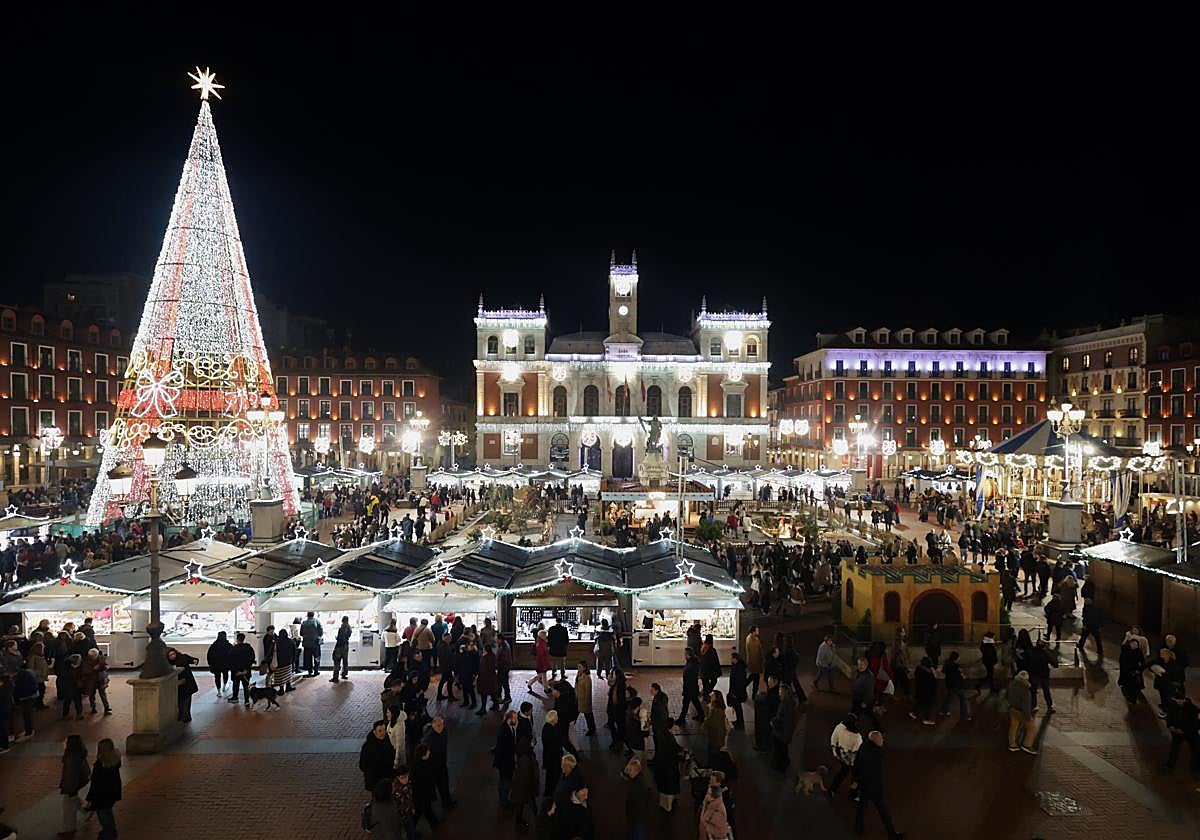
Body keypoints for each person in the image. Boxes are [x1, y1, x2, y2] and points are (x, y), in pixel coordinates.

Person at [852, 731, 903, 839]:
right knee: (882, 810)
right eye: (881, 739)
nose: (883, 741)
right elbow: (875, 772)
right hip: (874, 787)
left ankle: (858, 828)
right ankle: (892, 834)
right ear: (875, 740)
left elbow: (857, 763)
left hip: (864, 784)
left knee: (861, 807)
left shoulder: (863, 746)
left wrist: (856, 780)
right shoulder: (877, 753)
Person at [84, 738, 122, 840]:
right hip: (111, 794)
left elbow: (95, 784)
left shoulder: (99, 765)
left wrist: (89, 798)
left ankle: (109, 834)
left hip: (101, 796)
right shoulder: (115, 761)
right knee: (107, 813)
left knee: (104, 815)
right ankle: (109, 832)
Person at [421, 716, 456, 811]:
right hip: (434, 767)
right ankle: (444, 802)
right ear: (433, 725)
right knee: (440, 784)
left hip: (442, 763)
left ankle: (447, 800)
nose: (441, 727)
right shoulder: (428, 739)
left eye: (442, 724)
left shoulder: (443, 732)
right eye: (438, 725)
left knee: (444, 783)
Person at [1164, 687, 1200, 774]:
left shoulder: (1192, 708)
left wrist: (1184, 730)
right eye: (1176, 700)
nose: (1178, 702)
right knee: (1174, 749)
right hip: (1177, 732)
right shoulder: (1173, 706)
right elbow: (1170, 717)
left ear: (1184, 699)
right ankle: (1169, 766)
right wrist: (1170, 726)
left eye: (1179, 700)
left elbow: (1195, 723)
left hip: (1190, 733)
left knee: (1197, 749)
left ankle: (1195, 767)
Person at [60, 734, 91, 836]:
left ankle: (69, 829)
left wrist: (69, 790)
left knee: (68, 805)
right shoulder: (78, 754)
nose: (63, 743)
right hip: (76, 784)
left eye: (65, 742)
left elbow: (70, 776)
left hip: (71, 786)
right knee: (73, 800)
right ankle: (87, 810)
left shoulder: (71, 759)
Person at [828, 714, 862, 799]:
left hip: (842, 756)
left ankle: (832, 789)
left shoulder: (839, 727)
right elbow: (856, 751)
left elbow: (833, 739)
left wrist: (835, 753)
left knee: (842, 773)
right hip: (853, 760)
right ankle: (853, 795)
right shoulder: (857, 737)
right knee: (855, 777)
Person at [510, 735, 539, 831]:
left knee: (523, 805)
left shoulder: (524, 755)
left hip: (523, 787)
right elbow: (525, 776)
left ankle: (534, 819)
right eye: (533, 742)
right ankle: (521, 822)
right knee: (523, 805)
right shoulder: (526, 758)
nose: (534, 744)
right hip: (524, 788)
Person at [1006, 671, 1038, 754]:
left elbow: (1006, 696)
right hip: (1021, 711)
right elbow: (1026, 704)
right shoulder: (1025, 690)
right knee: (1032, 728)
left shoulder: (1011, 685)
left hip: (1012, 708)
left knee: (1014, 726)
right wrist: (1028, 717)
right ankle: (1027, 745)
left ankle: (1012, 744)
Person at [361, 719, 397, 792]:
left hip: (386, 775)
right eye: (380, 731)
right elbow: (363, 764)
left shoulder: (386, 738)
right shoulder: (368, 747)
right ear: (374, 732)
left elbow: (391, 751)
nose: (382, 733)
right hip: (375, 778)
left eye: (384, 730)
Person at [411, 743, 440, 831]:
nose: (429, 752)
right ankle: (411, 830)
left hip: (423, 794)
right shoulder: (420, 767)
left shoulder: (418, 763)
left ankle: (433, 822)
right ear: (423, 754)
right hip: (422, 794)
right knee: (420, 811)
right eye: (427, 751)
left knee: (426, 809)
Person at [652, 729, 682, 813]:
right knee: (669, 794)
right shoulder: (670, 747)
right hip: (670, 777)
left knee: (663, 794)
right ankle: (668, 807)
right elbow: (675, 754)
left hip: (662, 777)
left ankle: (664, 806)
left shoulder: (662, 749)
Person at [770, 684, 799, 771]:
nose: (779, 693)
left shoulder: (786, 705)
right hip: (784, 732)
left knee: (780, 749)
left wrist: (774, 721)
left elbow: (785, 719)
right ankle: (785, 761)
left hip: (782, 732)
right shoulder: (788, 702)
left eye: (780, 692)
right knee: (783, 748)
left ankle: (781, 767)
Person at [623, 758, 652, 840]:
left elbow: (638, 804)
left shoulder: (638, 786)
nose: (629, 772)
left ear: (636, 771)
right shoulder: (640, 780)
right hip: (638, 816)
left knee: (639, 834)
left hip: (638, 816)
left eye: (630, 770)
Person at [493, 709, 518, 806]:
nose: (516, 721)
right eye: (515, 719)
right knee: (506, 781)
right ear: (510, 719)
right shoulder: (505, 731)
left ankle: (503, 798)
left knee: (504, 780)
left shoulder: (508, 727)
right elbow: (504, 749)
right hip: (505, 763)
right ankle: (504, 801)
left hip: (505, 761)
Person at [167, 647, 199, 722]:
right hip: (179, 683)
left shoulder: (183, 657)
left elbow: (193, 660)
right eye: (170, 655)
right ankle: (182, 715)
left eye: (173, 654)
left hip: (187, 682)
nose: (172, 656)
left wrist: (194, 661)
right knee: (180, 701)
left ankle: (186, 716)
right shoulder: (167, 662)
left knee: (186, 700)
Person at [938, 651, 970, 721]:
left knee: (949, 697)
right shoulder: (956, 666)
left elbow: (943, 671)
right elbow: (959, 675)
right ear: (956, 658)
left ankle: (943, 710)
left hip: (949, 684)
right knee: (963, 700)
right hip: (957, 685)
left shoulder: (947, 664)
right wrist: (963, 676)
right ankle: (964, 715)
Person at [850, 656, 880, 730]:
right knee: (854, 713)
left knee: (870, 715)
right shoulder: (857, 672)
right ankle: (852, 726)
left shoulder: (869, 677)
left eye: (862, 665)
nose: (860, 666)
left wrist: (865, 702)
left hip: (865, 701)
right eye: (859, 664)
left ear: (866, 665)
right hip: (857, 698)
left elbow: (870, 691)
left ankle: (879, 729)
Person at [80, 648, 112, 715]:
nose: (94, 657)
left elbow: (106, 667)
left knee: (103, 694)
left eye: (95, 656)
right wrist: (94, 669)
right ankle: (93, 707)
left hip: (100, 679)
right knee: (91, 695)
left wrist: (101, 666)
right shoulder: (86, 661)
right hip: (91, 681)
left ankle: (106, 708)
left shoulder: (101, 659)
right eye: (92, 656)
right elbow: (85, 671)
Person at [677, 650, 705, 725]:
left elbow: (690, 677)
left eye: (685, 654)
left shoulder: (691, 664)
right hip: (692, 687)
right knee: (695, 702)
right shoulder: (692, 662)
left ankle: (681, 719)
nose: (684, 655)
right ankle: (701, 715)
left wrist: (686, 688)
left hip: (690, 687)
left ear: (688, 655)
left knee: (686, 704)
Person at [228, 631, 256, 705]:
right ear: (244, 639)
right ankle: (246, 701)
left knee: (236, 685)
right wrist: (246, 669)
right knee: (246, 686)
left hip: (236, 672)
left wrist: (237, 671)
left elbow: (230, 661)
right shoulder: (249, 648)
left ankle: (235, 698)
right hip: (246, 671)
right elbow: (252, 658)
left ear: (237, 639)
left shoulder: (234, 649)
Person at [541, 709, 564, 796]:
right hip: (553, 759)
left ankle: (549, 791)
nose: (558, 718)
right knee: (553, 776)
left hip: (550, 757)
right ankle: (550, 792)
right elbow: (556, 746)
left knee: (550, 776)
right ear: (553, 719)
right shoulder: (551, 731)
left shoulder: (547, 727)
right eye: (556, 717)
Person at [1118, 638, 1147, 704]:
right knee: (1130, 686)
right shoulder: (1126, 651)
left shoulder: (1139, 651)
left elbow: (1142, 662)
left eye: (1136, 644)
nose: (1134, 645)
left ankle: (1133, 699)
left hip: (1136, 672)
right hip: (1129, 672)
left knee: (1135, 686)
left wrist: (1140, 669)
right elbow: (1124, 662)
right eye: (1133, 644)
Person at [911, 657, 937, 725]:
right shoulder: (928, 673)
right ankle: (926, 718)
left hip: (920, 690)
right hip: (927, 691)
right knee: (928, 705)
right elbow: (933, 680)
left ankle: (914, 713)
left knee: (920, 703)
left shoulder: (919, 670)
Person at [58, 652, 84, 720]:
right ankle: (78, 714)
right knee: (75, 700)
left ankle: (67, 715)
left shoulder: (65, 666)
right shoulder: (69, 670)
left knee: (69, 701)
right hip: (70, 687)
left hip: (69, 687)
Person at [206, 631, 232, 696]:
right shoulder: (228, 645)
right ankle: (224, 686)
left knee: (217, 677)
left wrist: (210, 664)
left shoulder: (213, 645)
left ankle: (219, 691)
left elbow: (209, 655)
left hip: (216, 665)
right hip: (226, 664)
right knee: (225, 675)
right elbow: (232, 654)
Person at [727, 651, 748, 729]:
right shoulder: (738, 666)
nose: (730, 660)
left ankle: (740, 722)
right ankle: (739, 721)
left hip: (737, 691)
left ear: (735, 659)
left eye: (731, 658)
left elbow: (738, 681)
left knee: (737, 707)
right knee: (737, 707)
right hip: (736, 690)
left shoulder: (738, 668)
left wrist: (734, 692)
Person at [476, 643, 498, 715]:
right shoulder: (493, 656)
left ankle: (483, 709)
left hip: (485, 679)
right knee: (492, 692)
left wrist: (479, 677)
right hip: (491, 678)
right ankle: (496, 705)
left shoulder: (485, 658)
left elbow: (483, 669)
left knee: (484, 694)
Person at [300, 610, 324, 676]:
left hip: (306, 644)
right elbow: (321, 631)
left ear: (307, 615)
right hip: (315, 643)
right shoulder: (317, 621)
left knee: (308, 658)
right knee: (317, 657)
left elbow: (301, 633)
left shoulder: (304, 623)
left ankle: (309, 671)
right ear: (313, 615)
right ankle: (316, 670)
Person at [575, 662, 596, 735]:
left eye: (580, 667)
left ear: (584, 668)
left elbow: (588, 691)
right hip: (578, 699)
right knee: (578, 714)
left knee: (588, 715)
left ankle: (592, 729)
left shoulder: (587, 678)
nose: (578, 668)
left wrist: (587, 702)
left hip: (584, 700)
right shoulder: (579, 675)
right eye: (578, 667)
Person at [547, 616, 569, 681]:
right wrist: (564, 645)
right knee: (562, 663)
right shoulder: (564, 629)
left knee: (554, 663)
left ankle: (553, 674)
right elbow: (567, 640)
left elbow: (549, 639)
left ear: (556, 621)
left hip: (553, 649)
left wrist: (550, 646)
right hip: (562, 649)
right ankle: (562, 675)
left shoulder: (551, 628)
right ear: (561, 621)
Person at [744, 625, 763, 698]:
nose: (758, 631)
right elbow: (755, 653)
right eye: (757, 630)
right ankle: (754, 694)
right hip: (755, 663)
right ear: (753, 631)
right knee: (755, 678)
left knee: (754, 678)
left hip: (754, 663)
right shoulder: (752, 640)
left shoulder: (751, 638)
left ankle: (753, 693)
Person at [332, 616, 352, 682]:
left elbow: (340, 638)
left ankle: (335, 677)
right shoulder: (349, 628)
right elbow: (347, 636)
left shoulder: (342, 628)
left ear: (342, 620)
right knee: (345, 661)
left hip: (340, 646)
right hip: (346, 645)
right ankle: (344, 674)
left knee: (337, 661)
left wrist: (337, 639)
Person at [495, 633, 513, 705]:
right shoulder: (503, 645)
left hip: (503, 667)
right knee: (502, 682)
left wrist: (497, 663)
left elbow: (503, 659)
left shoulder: (504, 647)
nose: (496, 640)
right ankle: (501, 696)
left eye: (497, 639)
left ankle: (507, 697)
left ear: (500, 639)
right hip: (504, 667)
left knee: (503, 682)